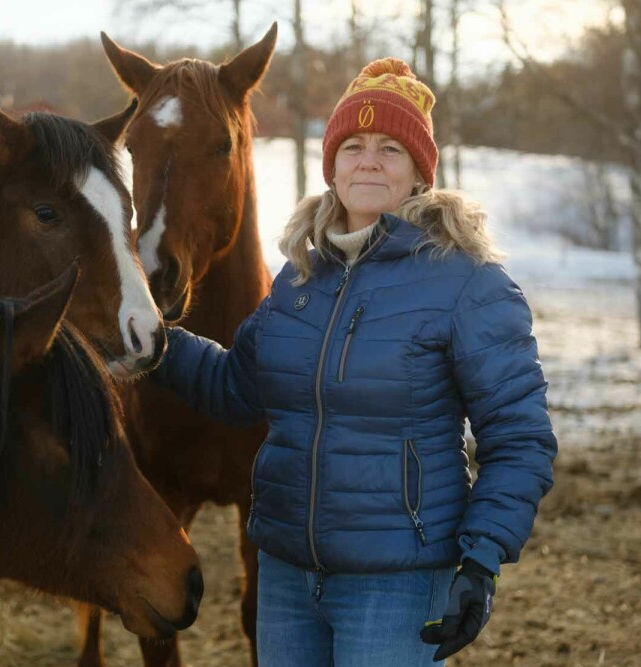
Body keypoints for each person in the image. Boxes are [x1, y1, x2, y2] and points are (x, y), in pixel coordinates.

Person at [150, 58, 557, 665]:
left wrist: (481, 559)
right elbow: (235, 388)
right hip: (287, 578)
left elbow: (520, 437)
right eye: (354, 146)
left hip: (396, 583)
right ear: (332, 165)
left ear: (420, 171)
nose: (368, 160)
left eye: (391, 147)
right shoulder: (299, 280)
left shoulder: (469, 284)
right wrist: (151, 337)